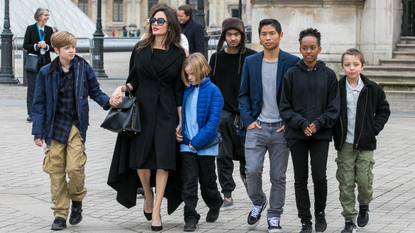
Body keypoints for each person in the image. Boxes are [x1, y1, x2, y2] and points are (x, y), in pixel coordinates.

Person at [107, 3, 186, 232]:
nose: (155, 24)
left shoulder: (178, 53)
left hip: (167, 111)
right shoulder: (140, 48)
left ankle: (158, 210)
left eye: (160, 21)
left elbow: (179, 91)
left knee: (163, 162)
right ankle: (148, 194)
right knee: (141, 159)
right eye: (153, 20)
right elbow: (134, 80)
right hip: (142, 110)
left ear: (170, 24)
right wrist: (121, 89)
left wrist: (181, 121)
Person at [31, 31, 111, 230]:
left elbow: (95, 91)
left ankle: (76, 200)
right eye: (67, 48)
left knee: (75, 169)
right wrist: (38, 132)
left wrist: (109, 102)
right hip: (54, 128)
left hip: (75, 127)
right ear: (56, 50)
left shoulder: (83, 68)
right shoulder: (46, 72)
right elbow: (38, 103)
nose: (72, 50)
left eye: (73, 47)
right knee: (56, 172)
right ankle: (60, 215)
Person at [238, 18, 300, 233]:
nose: (268, 37)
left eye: (272, 33)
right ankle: (258, 201)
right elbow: (243, 94)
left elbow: (298, 97)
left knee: (278, 177)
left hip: (282, 129)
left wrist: (291, 123)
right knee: (251, 170)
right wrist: (248, 122)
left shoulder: (292, 62)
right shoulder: (251, 62)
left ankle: (274, 216)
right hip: (257, 127)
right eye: (264, 33)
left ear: (280, 35)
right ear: (259, 37)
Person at [279, 28, 340, 233]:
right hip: (297, 134)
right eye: (305, 48)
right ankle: (305, 220)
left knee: (319, 177)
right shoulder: (291, 74)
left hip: (321, 135)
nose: (308, 51)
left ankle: (320, 212)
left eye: (312, 48)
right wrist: (303, 123)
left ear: (319, 49)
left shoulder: (329, 75)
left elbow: (334, 107)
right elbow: (284, 107)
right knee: (300, 179)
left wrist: (318, 123)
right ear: (300, 49)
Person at [333, 48, 390, 233]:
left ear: (362, 66)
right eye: (347, 65)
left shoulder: (372, 88)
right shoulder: (337, 89)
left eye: (355, 65)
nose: (351, 68)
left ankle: (364, 205)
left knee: (364, 181)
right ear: (342, 67)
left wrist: (373, 129)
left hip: (365, 144)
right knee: (346, 182)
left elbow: (384, 110)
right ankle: (349, 219)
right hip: (345, 144)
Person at [208, 17, 257, 210]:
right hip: (223, 113)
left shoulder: (252, 57)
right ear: (224, 36)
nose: (233, 38)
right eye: (229, 34)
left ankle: (252, 190)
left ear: (242, 36)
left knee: (248, 156)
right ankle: (227, 193)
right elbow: (211, 85)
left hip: (247, 114)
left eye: (237, 34)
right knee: (223, 155)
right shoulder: (216, 58)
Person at [175, 53, 224, 232]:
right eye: (187, 74)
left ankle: (215, 202)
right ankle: (190, 216)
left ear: (202, 70)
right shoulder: (185, 90)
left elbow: (213, 124)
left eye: (192, 74)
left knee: (208, 182)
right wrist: (178, 129)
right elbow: (179, 115)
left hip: (206, 146)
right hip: (187, 145)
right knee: (188, 182)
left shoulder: (214, 92)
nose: (189, 78)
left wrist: (197, 142)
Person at [23, 8, 54, 122]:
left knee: (46, 87)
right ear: (39, 16)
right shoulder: (30, 29)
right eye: (45, 15)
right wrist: (37, 46)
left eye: (48, 15)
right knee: (32, 87)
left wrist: (46, 46)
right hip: (33, 61)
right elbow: (25, 45)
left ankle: (45, 111)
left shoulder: (49, 30)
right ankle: (31, 113)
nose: (47, 17)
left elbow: (53, 47)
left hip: (45, 61)